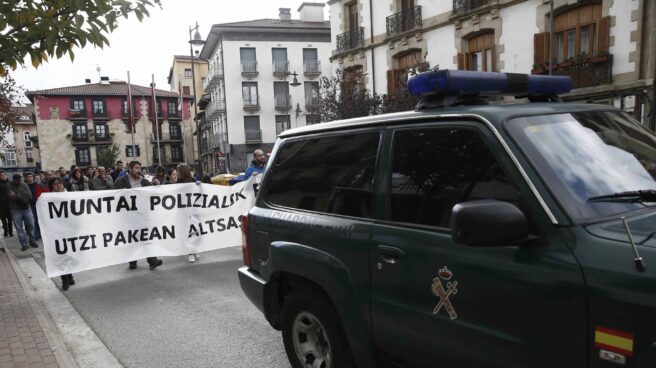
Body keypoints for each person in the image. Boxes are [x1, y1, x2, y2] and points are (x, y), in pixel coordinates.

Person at [113, 161, 163, 270]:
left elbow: (152, 194)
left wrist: (157, 187)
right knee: (132, 237)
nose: (139, 170)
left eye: (140, 168)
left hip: (142, 215)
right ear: (130, 169)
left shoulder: (144, 181)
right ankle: (133, 260)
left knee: (144, 236)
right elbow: (114, 197)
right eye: (136, 168)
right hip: (128, 216)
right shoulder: (120, 181)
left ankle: (152, 260)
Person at [47, 177, 76, 290]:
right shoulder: (48, 199)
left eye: (60, 183)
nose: (58, 185)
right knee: (60, 255)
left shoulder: (70, 196)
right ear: (52, 187)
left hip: (70, 229)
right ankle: (64, 279)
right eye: (55, 184)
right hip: (57, 231)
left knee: (70, 254)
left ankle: (70, 275)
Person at [174, 164, 201, 263]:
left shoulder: (194, 181)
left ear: (182, 171)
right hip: (183, 211)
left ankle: (195, 249)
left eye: (178, 171)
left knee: (195, 230)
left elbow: (201, 193)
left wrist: (199, 185)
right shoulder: (178, 183)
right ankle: (190, 252)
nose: (176, 173)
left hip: (193, 210)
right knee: (186, 231)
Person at [6, 174, 38, 251]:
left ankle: (32, 240)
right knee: (19, 228)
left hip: (26, 208)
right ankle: (24, 244)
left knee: (31, 224)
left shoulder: (24, 184)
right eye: (17, 180)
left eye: (20, 180)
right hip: (15, 209)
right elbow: (11, 197)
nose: (19, 182)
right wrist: (22, 194)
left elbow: (30, 196)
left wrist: (17, 194)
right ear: (13, 180)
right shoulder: (8, 185)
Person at [24, 172, 42, 240]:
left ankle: (39, 233)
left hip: (38, 203)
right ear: (26, 178)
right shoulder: (24, 185)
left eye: (31, 176)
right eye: (28, 177)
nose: (30, 178)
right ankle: (34, 235)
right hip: (30, 205)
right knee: (33, 220)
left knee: (39, 219)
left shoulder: (36, 184)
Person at [0, 170, 13, 237]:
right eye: (1, 175)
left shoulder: (10, 183)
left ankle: (10, 232)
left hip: (10, 204)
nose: (3, 176)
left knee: (10, 219)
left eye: (4, 174)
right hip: (1, 205)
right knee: (3, 219)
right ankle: (5, 231)